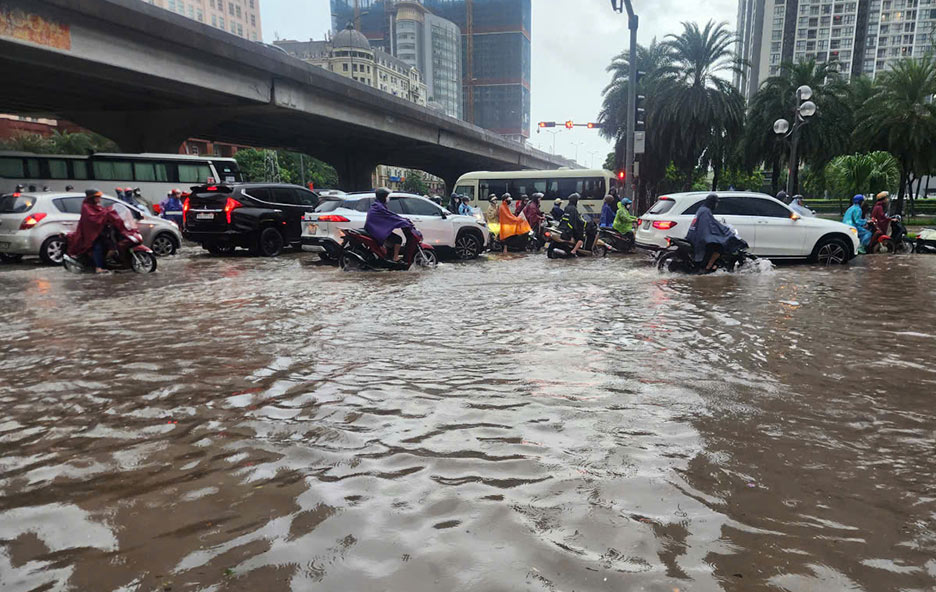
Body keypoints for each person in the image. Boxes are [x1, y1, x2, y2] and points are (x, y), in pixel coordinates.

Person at [66, 188, 128, 274]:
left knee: (112, 247)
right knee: (97, 247)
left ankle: (106, 262)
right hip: (92, 233)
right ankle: (98, 267)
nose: (99, 199)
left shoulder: (97, 206)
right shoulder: (86, 207)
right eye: (97, 197)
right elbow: (94, 218)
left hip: (102, 231)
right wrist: (105, 213)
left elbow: (104, 213)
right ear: (92, 198)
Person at [686, 193, 736, 272]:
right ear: (712, 203)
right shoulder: (705, 211)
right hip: (697, 237)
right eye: (716, 203)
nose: (716, 205)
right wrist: (723, 231)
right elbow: (709, 226)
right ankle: (707, 267)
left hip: (693, 235)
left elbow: (712, 222)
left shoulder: (703, 209)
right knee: (720, 247)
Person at [365, 187, 415, 262]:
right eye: (387, 196)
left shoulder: (378, 205)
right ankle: (395, 258)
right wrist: (404, 222)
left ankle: (389, 256)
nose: (388, 198)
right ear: (383, 197)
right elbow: (391, 217)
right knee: (398, 239)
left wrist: (403, 220)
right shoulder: (379, 207)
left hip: (374, 229)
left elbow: (391, 215)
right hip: (375, 231)